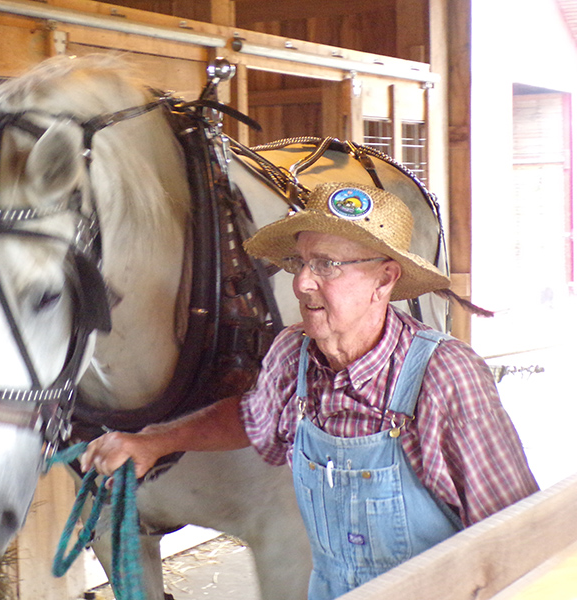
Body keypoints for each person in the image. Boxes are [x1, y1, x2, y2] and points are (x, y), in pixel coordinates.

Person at [80, 181, 538, 599]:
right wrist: (151, 442)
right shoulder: (294, 352)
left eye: (328, 265)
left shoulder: (443, 375)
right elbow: (252, 418)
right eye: (301, 263)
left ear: (385, 279)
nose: (301, 283)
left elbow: (518, 532)